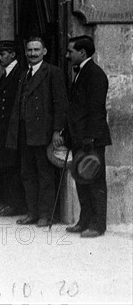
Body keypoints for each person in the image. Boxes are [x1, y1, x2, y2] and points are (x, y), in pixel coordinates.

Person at [6, 37, 68, 227]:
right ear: (25, 52)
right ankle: (32, 213)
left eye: (37, 50)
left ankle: (45, 215)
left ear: (45, 51)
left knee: (45, 175)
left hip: (43, 133)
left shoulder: (53, 72)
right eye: (30, 50)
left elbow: (61, 104)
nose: (33, 53)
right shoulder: (25, 73)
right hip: (25, 131)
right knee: (27, 173)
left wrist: (57, 131)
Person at [65, 36, 112, 237]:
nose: (67, 55)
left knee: (94, 182)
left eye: (70, 51)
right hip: (80, 137)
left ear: (82, 53)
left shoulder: (95, 74)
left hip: (91, 139)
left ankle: (98, 225)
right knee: (82, 179)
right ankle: (84, 221)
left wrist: (90, 137)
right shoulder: (81, 72)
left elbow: (96, 110)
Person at [0, 41, 27, 217]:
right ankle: (8, 203)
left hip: (12, 129)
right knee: (6, 167)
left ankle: (15, 205)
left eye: (2, 54)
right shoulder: (6, 74)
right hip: (3, 129)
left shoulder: (19, 73)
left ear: (13, 55)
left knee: (12, 167)